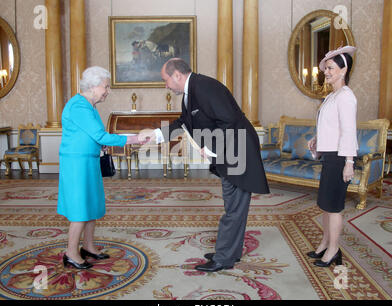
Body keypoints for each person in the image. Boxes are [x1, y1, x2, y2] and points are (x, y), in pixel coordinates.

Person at [154, 58, 269, 272]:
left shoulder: (204, 87)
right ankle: (230, 252)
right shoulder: (192, 91)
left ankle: (224, 258)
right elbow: (183, 122)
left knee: (233, 208)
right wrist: (156, 134)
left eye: (165, 80)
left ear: (177, 75)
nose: (165, 85)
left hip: (238, 151)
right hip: (232, 152)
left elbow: (230, 120)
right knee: (233, 205)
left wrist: (211, 149)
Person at [57, 66, 148, 269]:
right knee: (80, 208)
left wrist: (101, 143)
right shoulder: (79, 106)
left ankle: (88, 246)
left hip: (88, 160)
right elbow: (100, 135)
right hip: (77, 163)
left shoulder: (89, 106)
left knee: (91, 205)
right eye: (106, 86)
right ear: (93, 85)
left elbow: (93, 135)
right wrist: (135, 138)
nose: (107, 91)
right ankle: (71, 253)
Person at [307, 46, 358, 267]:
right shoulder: (331, 96)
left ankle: (334, 250)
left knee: (334, 206)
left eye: (330, 68)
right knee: (326, 204)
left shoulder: (346, 96)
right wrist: (318, 138)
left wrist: (349, 163)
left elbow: (348, 131)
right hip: (330, 155)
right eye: (325, 68)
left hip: (339, 158)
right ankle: (325, 243)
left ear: (343, 70)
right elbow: (331, 126)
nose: (326, 72)